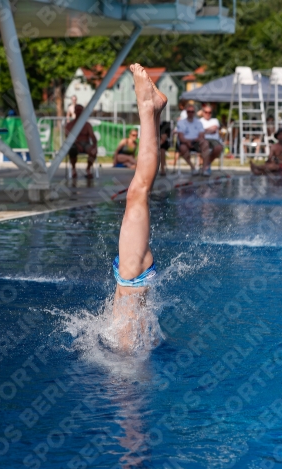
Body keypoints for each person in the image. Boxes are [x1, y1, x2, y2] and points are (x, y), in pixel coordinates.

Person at [112, 63, 167, 351]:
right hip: (132, 278)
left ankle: (152, 111)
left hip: (130, 278)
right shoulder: (127, 356)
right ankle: (148, 109)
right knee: (138, 191)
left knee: (138, 192)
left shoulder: (127, 353)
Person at [65, 104, 97, 179]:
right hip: (74, 144)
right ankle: (73, 169)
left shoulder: (87, 125)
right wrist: (77, 144)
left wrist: (94, 145)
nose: (79, 112)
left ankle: (88, 169)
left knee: (93, 151)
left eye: (80, 110)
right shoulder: (70, 125)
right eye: (77, 110)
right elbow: (68, 138)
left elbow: (92, 136)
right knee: (72, 150)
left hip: (85, 143)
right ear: (75, 111)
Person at [177, 103, 210, 175]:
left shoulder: (198, 122)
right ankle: (193, 167)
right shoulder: (181, 123)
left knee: (205, 144)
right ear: (186, 112)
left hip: (196, 142)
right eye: (189, 111)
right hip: (185, 142)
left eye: (192, 111)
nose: (190, 113)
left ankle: (204, 169)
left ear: (194, 112)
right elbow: (181, 137)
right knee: (182, 148)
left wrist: (194, 140)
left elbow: (201, 135)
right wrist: (187, 142)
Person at [200, 104, 223, 171]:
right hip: (203, 140)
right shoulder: (199, 121)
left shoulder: (215, 120)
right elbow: (200, 132)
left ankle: (206, 164)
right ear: (203, 112)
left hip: (214, 140)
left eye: (209, 112)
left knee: (219, 147)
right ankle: (206, 166)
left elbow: (214, 129)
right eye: (206, 112)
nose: (208, 114)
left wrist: (204, 130)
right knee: (205, 144)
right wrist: (209, 129)